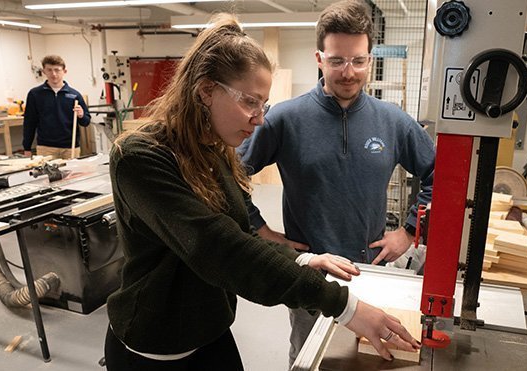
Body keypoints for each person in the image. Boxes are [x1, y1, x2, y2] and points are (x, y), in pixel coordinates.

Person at [103, 14, 419, 371]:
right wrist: (344, 306)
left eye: (263, 105)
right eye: (250, 102)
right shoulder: (141, 158)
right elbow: (219, 248)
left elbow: (240, 234)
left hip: (211, 332)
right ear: (206, 90)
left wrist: (302, 259)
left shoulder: (210, 151)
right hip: (155, 347)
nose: (260, 118)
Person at [237, 0, 435, 366]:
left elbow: (441, 176)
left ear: (370, 59)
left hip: (370, 272)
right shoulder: (284, 119)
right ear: (319, 58)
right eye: (337, 60)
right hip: (310, 276)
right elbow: (227, 177)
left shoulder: (393, 121)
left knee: (365, 358)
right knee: (310, 359)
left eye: (358, 60)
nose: (349, 72)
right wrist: (262, 230)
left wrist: (407, 232)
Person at [23, 55, 90, 159]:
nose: (53, 74)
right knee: (46, 175)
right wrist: (27, 148)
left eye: (57, 70)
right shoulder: (35, 94)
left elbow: (86, 122)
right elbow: (29, 122)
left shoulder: (74, 95)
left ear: (64, 71)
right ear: (44, 71)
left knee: (72, 175)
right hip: (46, 148)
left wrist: (81, 115)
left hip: (70, 148)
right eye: (49, 70)